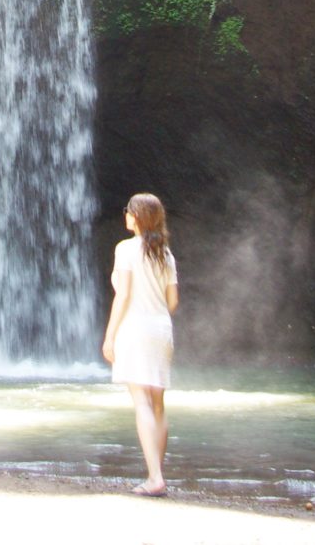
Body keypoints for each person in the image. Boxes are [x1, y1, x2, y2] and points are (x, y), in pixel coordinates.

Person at [102, 192, 179, 497]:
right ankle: (156, 472)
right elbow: (173, 301)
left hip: (134, 328)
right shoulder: (166, 254)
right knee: (158, 403)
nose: (125, 215)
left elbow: (123, 295)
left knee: (141, 401)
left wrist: (110, 336)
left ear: (138, 217)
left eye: (129, 211)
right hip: (161, 329)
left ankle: (155, 477)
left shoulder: (126, 249)